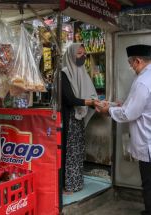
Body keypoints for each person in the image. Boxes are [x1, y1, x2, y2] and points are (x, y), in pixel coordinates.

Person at [95, 44, 151, 215]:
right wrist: (119, 105)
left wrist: (108, 110)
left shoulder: (144, 81)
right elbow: (143, 105)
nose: (131, 68)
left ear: (137, 61)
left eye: (131, 64)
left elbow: (130, 113)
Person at [61, 43, 98, 193]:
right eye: (79, 54)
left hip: (79, 118)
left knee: (77, 152)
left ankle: (76, 183)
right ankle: (67, 185)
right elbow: (69, 99)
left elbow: (90, 95)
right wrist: (88, 102)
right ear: (70, 55)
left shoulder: (82, 72)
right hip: (69, 118)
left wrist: (102, 104)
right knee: (69, 152)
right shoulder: (64, 73)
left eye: (84, 54)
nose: (83, 57)